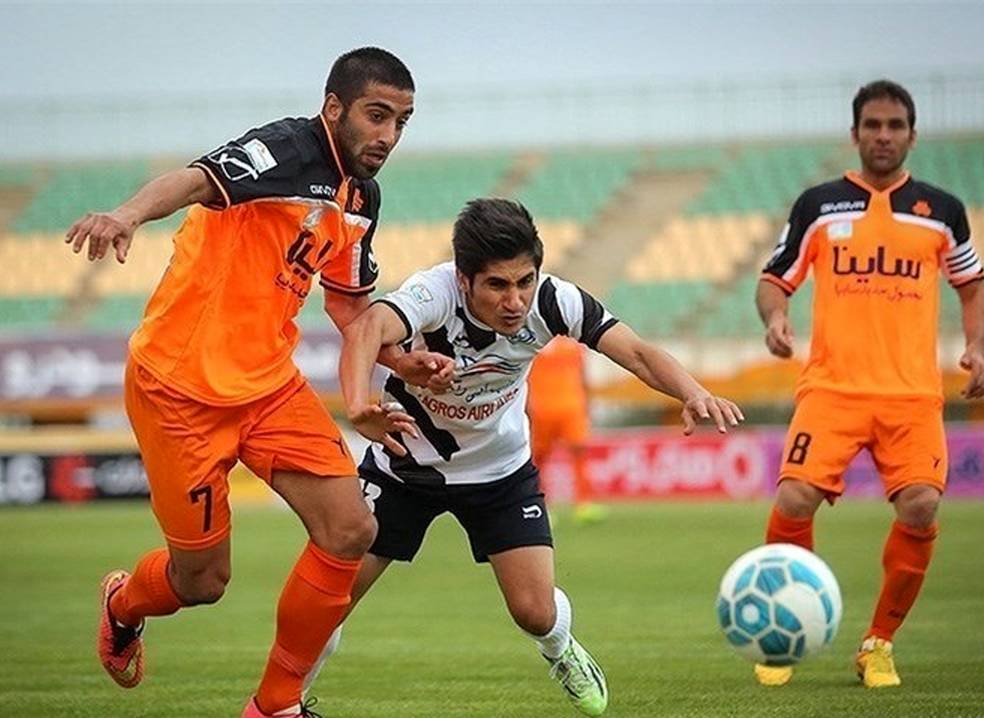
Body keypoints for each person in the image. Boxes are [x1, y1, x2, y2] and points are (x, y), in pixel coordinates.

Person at [68, 48, 453, 718]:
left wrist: (397, 359)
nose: (389, 135)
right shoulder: (284, 151)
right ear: (334, 108)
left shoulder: (361, 199)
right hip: (178, 392)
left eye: (402, 121)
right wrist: (128, 214)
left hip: (269, 388)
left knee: (350, 529)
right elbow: (195, 179)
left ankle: (275, 706)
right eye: (377, 115)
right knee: (203, 581)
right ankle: (124, 603)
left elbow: (348, 306)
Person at [308, 197, 743, 716]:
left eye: (524, 281)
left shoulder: (556, 301)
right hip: (406, 467)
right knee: (330, 599)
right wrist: (359, 405)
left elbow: (636, 352)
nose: (514, 300)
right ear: (464, 280)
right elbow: (367, 329)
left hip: (500, 471)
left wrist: (693, 392)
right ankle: (286, 703)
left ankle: (561, 650)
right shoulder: (433, 292)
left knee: (534, 612)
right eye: (497, 285)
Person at [754, 79, 984, 688]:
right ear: (855, 133)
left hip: (912, 395)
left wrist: (977, 348)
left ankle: (878, 644)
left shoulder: (942, 211)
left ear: (912, 135)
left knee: (922, 505)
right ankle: (783, 637)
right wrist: (775, 318)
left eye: (894, 126)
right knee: (793, 499)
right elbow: (774, 278)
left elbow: (973, 288)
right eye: (872, 125)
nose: (883, 136)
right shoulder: (819, 205)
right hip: (831, 390)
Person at [527, 335, 605, 524]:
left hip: (572, 406)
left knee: (580, 452)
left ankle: (584, 504)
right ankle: (541, 504)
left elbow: (582, 375)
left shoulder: (573, 344)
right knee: (538, 459)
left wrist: (587, 404)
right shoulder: (533, 341)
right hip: (541, 408)